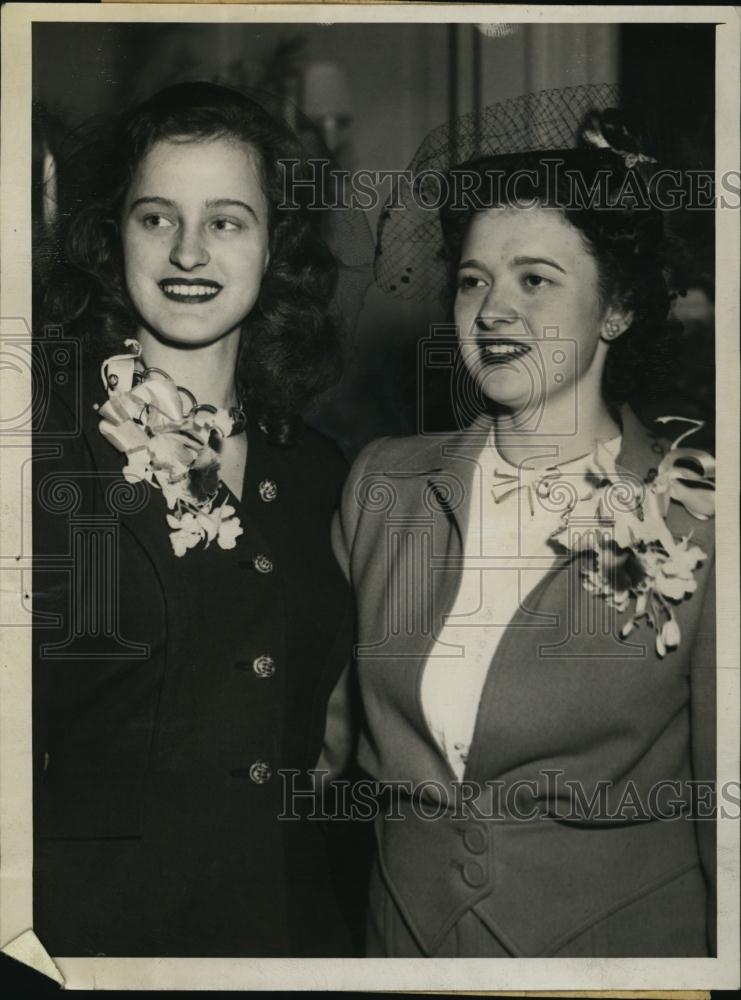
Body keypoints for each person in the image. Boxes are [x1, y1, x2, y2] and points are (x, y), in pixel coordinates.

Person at [319, 95, 716, 957]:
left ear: (614, 311)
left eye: (535, 279)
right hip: (404, 951)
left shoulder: (703, 519)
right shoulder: (383, 486)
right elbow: (321, 744)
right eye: (473, 280)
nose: (492, 310)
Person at [33, 81, 358, 957]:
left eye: (225, 220)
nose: (187, 252)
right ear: (113, 240)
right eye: (154, 218)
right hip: (87, 946)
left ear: (274, 246)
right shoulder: (36, 449)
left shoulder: (324, 473)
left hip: (288, 937)